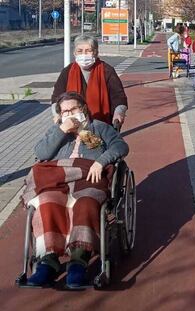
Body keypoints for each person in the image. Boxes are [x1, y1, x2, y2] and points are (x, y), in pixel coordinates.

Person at [22, 91, 129, 288]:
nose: (69, 114)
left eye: (73, 109)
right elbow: (41, 153)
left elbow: (121, 147)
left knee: (85, 203)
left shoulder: (100, 128)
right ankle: (49, 260)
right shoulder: (57, 130)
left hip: (88, 178)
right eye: (64, 111)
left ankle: (78, 261)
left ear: (84, 110)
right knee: (47, 201)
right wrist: (62, 129)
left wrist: (100, 162)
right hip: (58, 180)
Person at [51, 35, 128, 125]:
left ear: (95, 53)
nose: (83, 54)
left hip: (101, 124)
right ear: (74, 53)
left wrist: (119, 113)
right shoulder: (67, 71)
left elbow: (119, 97)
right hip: (72, 124)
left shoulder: (106, 70)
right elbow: (56, 97)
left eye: (88, 51)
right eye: (80, 51)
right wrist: (57, 115)